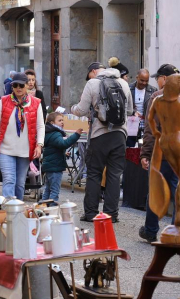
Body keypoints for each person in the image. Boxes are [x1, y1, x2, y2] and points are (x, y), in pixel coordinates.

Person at [138, 64, 180, 241]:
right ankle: (178, 231)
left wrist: (145, 153)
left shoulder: (158, 97)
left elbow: (151, 129)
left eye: (158, 77)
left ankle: (151, 231)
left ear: (165, 79)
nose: (157, 81)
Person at [72, 67, 133, 222]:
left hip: (99, 134)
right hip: (120, 135)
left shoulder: (92, 83)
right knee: (114, 174)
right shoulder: (124, 83)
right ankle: (111, 214)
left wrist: (74, 109)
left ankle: (91, 213)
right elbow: (130, 111)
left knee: (94, 173)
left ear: (97, 73)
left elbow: (81, 109)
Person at [0, 72, 45, 199]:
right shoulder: (3, 101)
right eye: (15, 85)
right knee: (9, 180)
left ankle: (17, 212)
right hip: (5, 149)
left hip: (25, 150)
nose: (18, 88)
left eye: (21, 85)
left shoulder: (36, 103)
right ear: (12, 87)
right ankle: (8, 212)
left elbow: (40, 126)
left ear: (27, 86)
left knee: (20, 184)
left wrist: (39, 145)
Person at [42, 112, 82, 202]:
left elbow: (52, 149)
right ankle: (52, 210)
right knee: (54, 191)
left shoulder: (49, 133)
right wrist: (76, 135)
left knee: (48, 190)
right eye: (59, 120)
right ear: (52, 123)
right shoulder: (56, 133)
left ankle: (42, 208)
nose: (62, 122)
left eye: (63, 120)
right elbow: (64, 144)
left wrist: (63, 154)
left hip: (49, 166)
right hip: (55, 167)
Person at [128, 68, 156, 147]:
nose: (144, 83)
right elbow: (125, 105)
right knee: (131, 145)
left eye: (146, 81)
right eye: (142, 80)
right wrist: (133, 112)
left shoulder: (153, 90)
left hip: (146, 121)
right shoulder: (128, 88)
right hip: (131, 121)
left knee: (146, 144)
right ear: (137, 78)